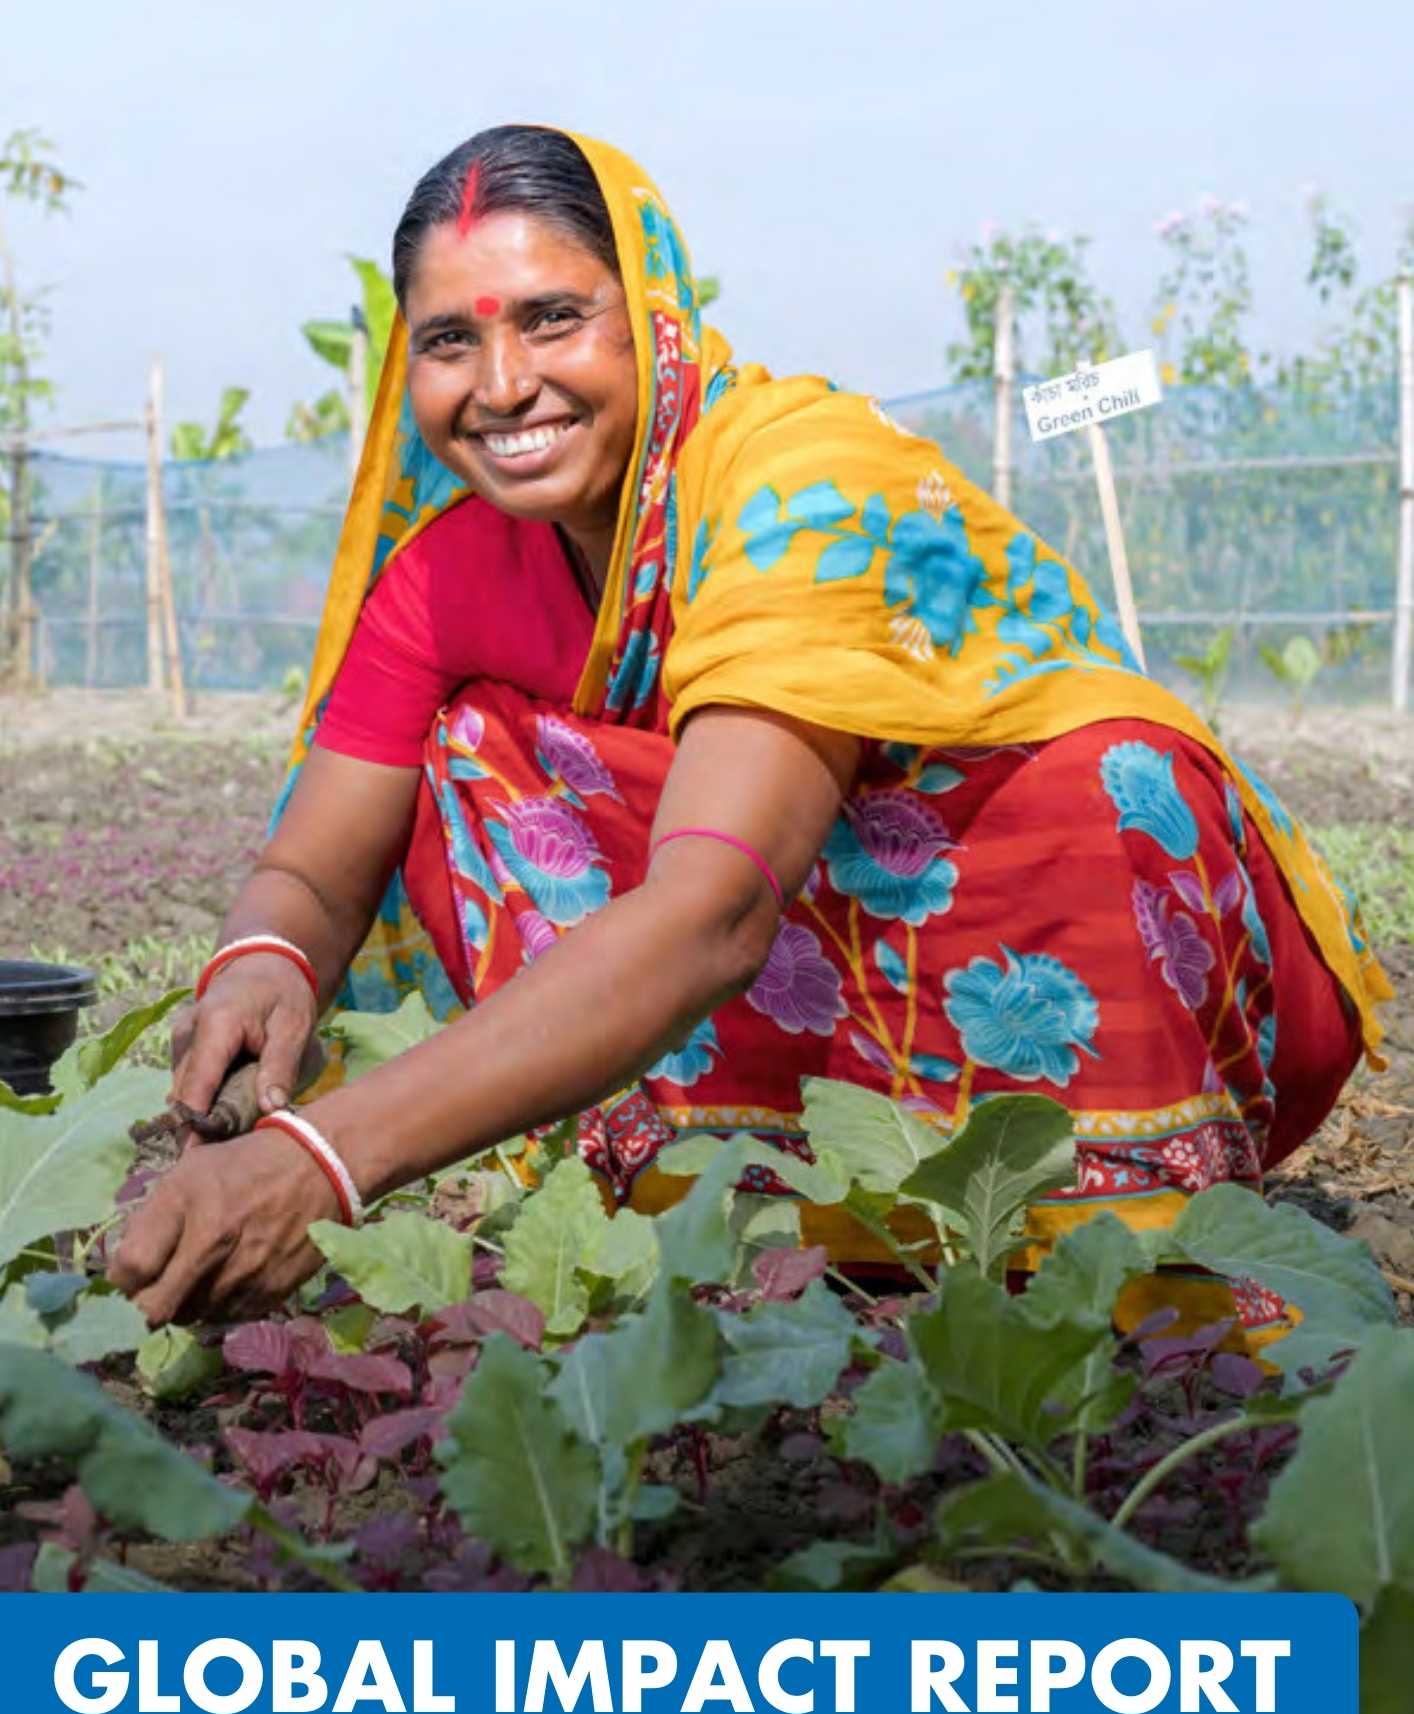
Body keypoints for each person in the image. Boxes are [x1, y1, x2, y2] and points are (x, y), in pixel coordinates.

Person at [110, 125, 1390, 1333]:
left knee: (1097, 781)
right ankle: (703, 1180)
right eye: (451, 341)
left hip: (1047, 926)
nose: (504, 386)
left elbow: (718, 913)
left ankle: (1098, 1219)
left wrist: (327, 1161)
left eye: (554, 318)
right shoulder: (451, 574)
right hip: (771, 942)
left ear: (654, 317)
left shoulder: (796, 481)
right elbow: (315, 867)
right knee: (480, 748)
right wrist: (266, 958)